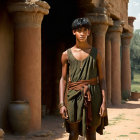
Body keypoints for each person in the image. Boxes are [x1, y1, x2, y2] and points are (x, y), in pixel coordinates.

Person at [59, 17, 108, 140]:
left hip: (93, 95)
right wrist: (61, 104)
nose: (82, 33)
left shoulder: (96, 53)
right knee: (73, 132)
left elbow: (102, 79)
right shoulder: (66, 54)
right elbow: (63, 79)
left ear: (89, 32)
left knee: (91, 131)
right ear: (74, 32)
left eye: (85, 30)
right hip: (73, 95)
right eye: (79, 30)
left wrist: (104, 102)